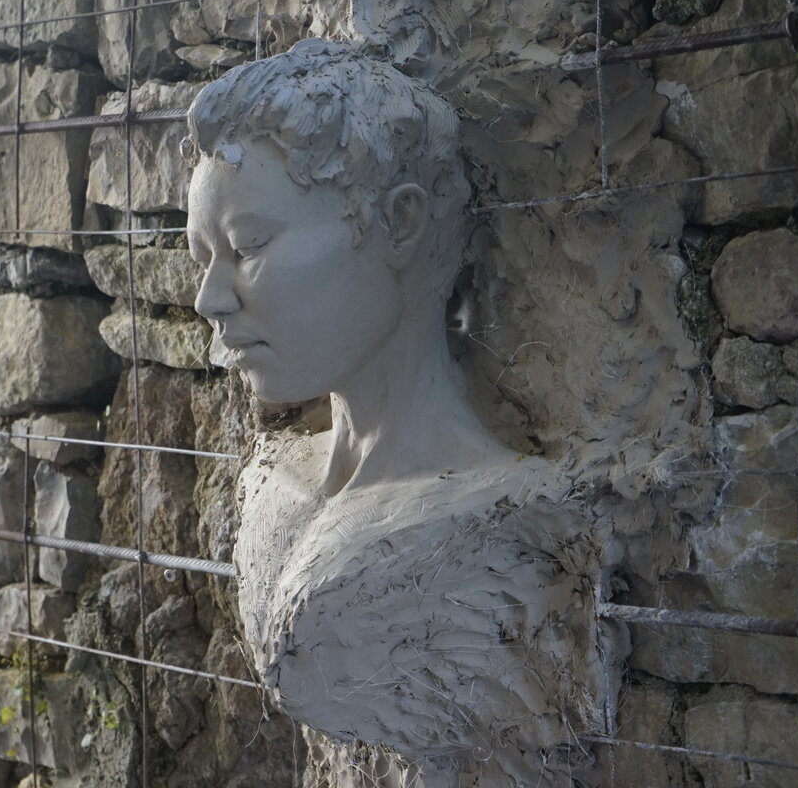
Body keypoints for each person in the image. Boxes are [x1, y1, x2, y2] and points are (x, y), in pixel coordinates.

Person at [185, 39, 619, 786]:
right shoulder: (277, 485)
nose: (210, 300)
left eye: (248, 246)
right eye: (203, 256)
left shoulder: (513, 527)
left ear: (400, 224)